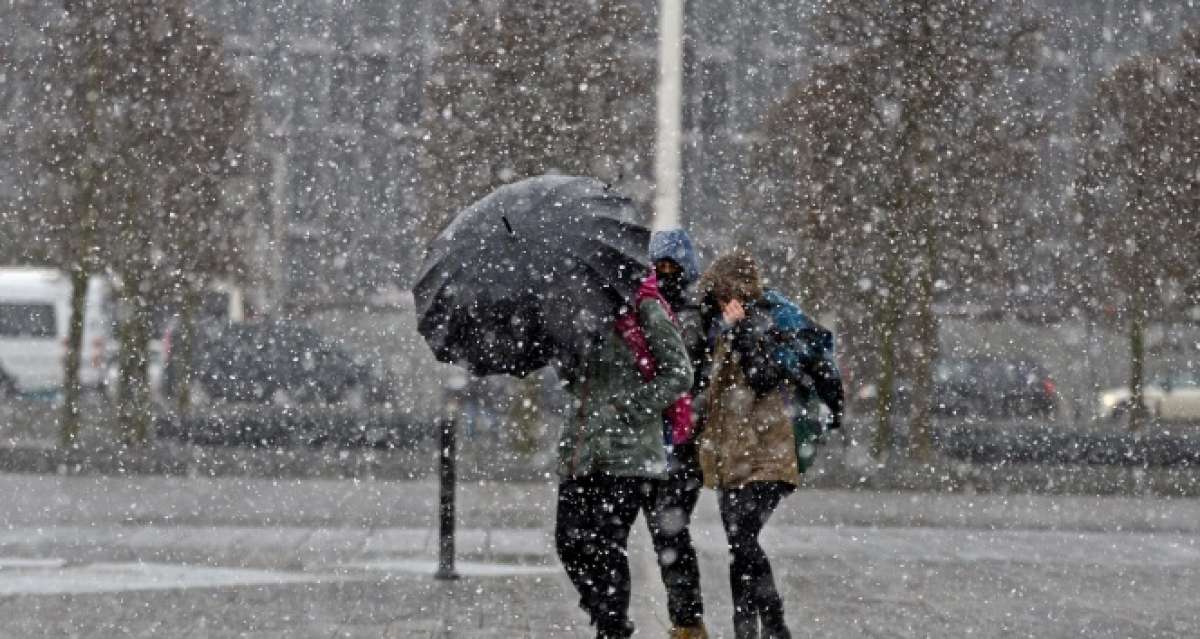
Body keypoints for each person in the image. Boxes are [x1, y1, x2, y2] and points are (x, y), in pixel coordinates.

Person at [696, 250, 843, 639]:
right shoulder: (722, 325)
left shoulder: (766, 321)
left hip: (771, 451)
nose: (717, 302)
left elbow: (764, 377)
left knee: (743, 538)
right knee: (738, 544)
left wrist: (741, 331)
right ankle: (746, 630)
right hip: (732, 452)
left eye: (721, 293)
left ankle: (774, 625)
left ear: (737, 290)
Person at [555, 274, 694, 639]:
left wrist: (631, 409)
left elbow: (679, 373)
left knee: (606, 544)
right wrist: (566, 355)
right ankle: (606, 613)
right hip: (581, 450)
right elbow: (577, 382)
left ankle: (612, 627)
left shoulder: (644, 307)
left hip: (628, 452)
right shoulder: (577, 312)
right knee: (568, 542)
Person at [644, 229, 709, 639]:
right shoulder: (654, 309)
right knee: (666, 531)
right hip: (660, 438)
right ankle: (686, 619)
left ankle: (687, 620)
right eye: (659, 266)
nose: (666, 274)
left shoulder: (691, 315)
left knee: (669, 531)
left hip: (681, 440)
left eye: (673, 267)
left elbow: (684, 371)